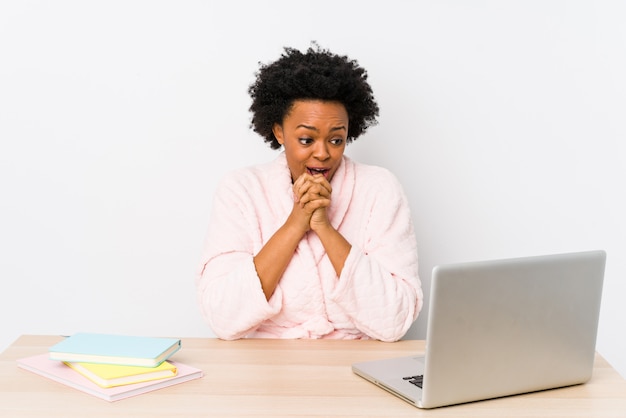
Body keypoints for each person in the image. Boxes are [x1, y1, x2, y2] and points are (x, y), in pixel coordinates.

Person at [196, 44, 423, 341]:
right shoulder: (241, 190)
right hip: (265, 366)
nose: (323, 153)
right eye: (306, 139)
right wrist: (296, 222)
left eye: (337, 139)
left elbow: (396, 319)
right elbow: (222, 316)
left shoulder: (379, 188)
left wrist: (324, 228)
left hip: (357, 364)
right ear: (279, 132)